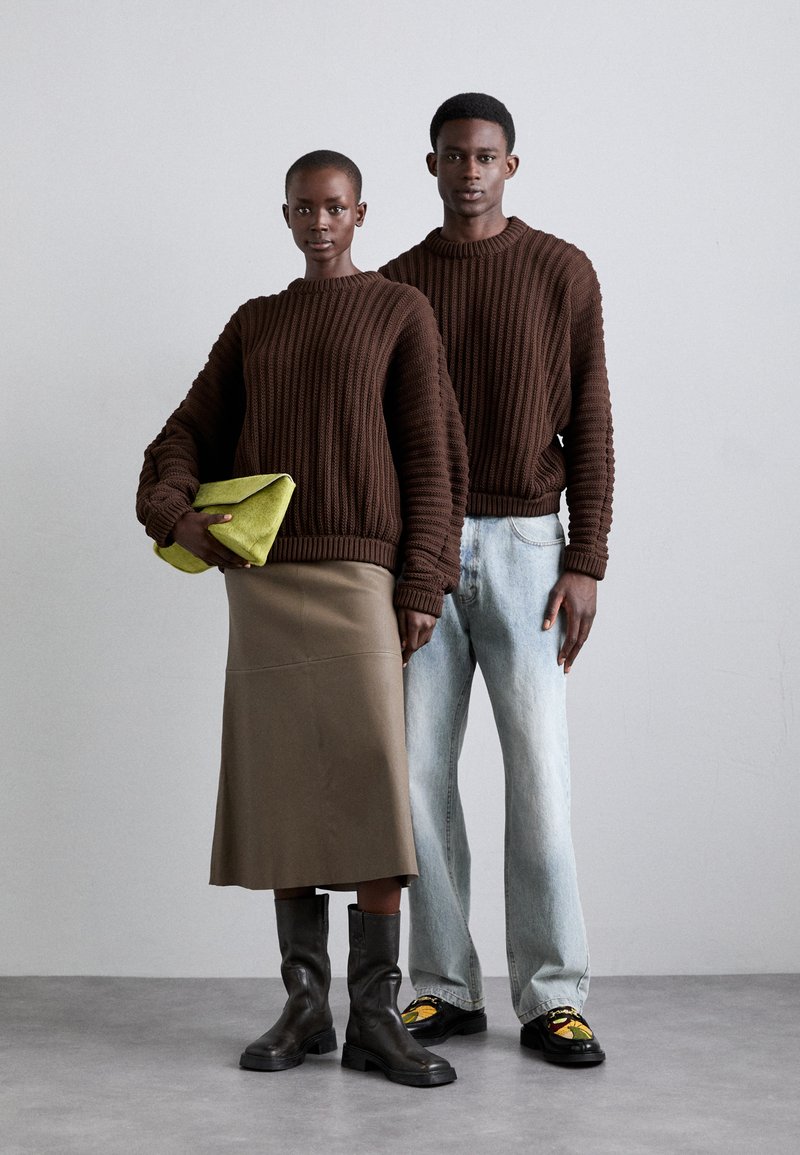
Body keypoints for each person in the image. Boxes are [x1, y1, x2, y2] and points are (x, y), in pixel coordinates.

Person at [136, 150, 468, 1088]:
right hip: (266, 579)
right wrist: (177, 513)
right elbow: (182, 434)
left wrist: (421, 583)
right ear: (285, 217)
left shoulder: (401, 310)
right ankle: (305, 1006)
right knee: (286, 791)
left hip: (362, 574)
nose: (319, 223)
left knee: (368, 787)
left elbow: (433, 455)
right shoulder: (256, 323)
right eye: (303, 209)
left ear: (361, 213)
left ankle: (375, 1014)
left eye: (335, 208)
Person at [380, 94, 614, 1065]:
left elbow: (590, 422)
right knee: (417, 777)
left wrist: (584, 557)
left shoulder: (560, 271)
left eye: (484, 156)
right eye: (452, 156)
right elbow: (375, 440)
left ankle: (551, 995)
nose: (468, 171)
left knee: (539, 782)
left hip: (526, 550)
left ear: (510, 166)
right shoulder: (393, 286)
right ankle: (440, 987)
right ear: (428, 165)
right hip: (420, 554)